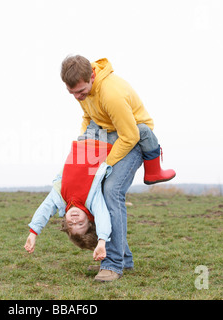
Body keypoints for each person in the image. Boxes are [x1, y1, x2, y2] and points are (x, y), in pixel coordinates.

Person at [60, 55, 176, 281]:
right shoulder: (83, 92)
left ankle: (113, 264)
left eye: (81, 91)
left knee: (111, 191)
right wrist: (86, 147)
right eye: (72, 93)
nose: (77, 97)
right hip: (107, 136)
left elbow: (130, 135)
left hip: (132, 138)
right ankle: (124, 257)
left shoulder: (111, 93)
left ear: (91, 76)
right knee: (93, 191)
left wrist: (105, 165)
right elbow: (88, 116)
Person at [24, 138, 113, 266]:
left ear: (65, 221)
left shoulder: (60, 197)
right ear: (90, 221)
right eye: (80, 223)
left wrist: (33, 233)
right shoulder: (92, 200)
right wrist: (102, 241)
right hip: (102, 143)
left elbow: (45, 209)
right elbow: (103, 217)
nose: (75, 220)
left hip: (83, 140)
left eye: (71, 224)